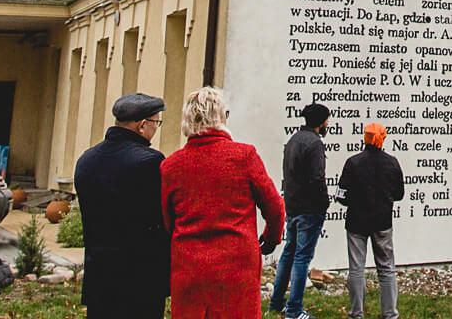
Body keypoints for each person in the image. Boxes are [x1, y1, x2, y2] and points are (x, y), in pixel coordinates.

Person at [159, 87, 284, 319]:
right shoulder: (244, 156)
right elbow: (275, 207)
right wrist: (270, 238)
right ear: (221, 117)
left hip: (189, 266)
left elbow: (168, 220)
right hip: (236, 265)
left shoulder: (171, 166)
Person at [72, 92, 169, 319]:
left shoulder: (87, 159)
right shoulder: (150, 162)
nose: (156, 129)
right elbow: (160, 217)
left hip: (99, 274)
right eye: (157, 122)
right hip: (140, 277)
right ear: (142, 125)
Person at [270, 102, 331, 319]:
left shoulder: (294, 139)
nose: (327, 124)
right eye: (326, 120)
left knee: (288, 253)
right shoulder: (314, 144)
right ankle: (294, 310)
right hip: (309, 208)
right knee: (302, 257)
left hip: (293, 205)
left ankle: (276, 302)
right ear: (320, 122)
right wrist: (324, 202)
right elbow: (317, 178)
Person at [338, 122, 404, 319]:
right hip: (382, 221)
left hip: (356, 221)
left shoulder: (352, 162)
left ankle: (356, 314)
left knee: (356, 268)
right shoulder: (392, 162)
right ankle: (390, 314)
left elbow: (341, 196)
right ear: (382, 138)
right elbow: (399, 194)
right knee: (386, 268)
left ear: (364, 138)